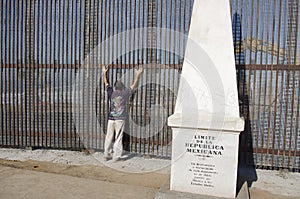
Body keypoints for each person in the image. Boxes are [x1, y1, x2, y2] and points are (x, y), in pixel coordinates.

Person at [102, 65, 143, 161]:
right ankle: (116, 157)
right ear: (122, 87)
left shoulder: (111, 92)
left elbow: (106, 83)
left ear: (115, 87)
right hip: (120, 119)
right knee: (118, 137)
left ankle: (106, 154)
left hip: (111, 118)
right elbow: (134, 85)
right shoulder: (125, 93)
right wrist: (138, 74)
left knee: (109, 136)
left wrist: (104, 72)